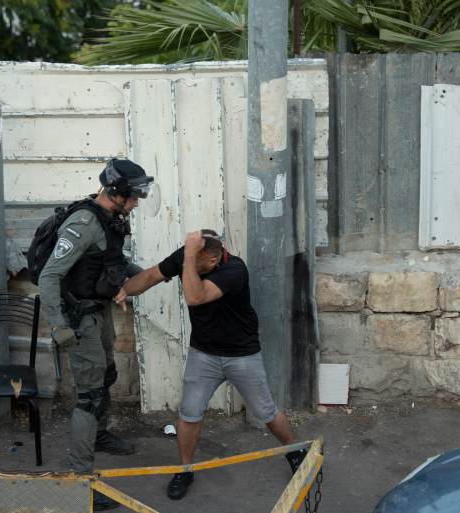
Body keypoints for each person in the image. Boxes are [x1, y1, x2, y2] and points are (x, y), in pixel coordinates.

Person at [114, 229, 307, 500]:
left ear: (212, 261)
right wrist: (123, 290)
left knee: (266, 411)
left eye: (192, 260)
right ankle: (186, 469)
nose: (185, 264)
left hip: (242, 354)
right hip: (203, 354)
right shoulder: (188, 257)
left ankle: (294, 451)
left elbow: (195, 297)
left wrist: (189, 258)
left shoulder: (234, 269)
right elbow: (149, 276)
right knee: (189, 413)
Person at [39, 158, 156, 511]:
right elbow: (49, 277)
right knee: (89, 397)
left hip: (100, 311)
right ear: (117, 192)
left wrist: (161, 271)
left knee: (106, 376)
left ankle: (99, 435)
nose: (137, 203)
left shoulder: (110, 219)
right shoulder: (84, 224)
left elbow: (114, 264)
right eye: (134, 196)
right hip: (80, 321)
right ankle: (81, 482)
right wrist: (58, 326)